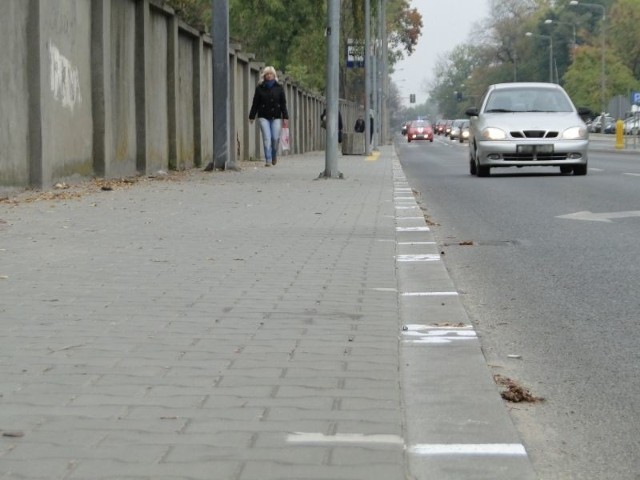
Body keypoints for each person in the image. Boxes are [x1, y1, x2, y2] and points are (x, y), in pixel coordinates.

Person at [249, 66, 289, 166]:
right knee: (267, 137)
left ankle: (274, 155)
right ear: (264, 76)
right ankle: (268, 159)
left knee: (275, 138)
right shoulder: (259, 88)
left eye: (271, 74)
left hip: (276, 117)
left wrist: (285, 117)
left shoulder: (279, 88)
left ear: (274, 75)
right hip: (263, 116)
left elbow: (283, 103)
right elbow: (255, 103)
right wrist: (252, 116)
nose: (269, 76)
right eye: (267, 74)